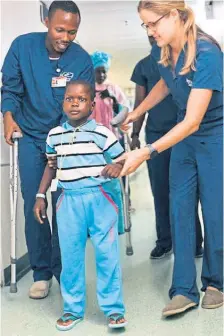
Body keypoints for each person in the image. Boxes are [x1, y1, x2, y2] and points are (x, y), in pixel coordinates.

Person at [116, 0, 223, 317]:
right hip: (184, 141)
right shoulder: (160, 53)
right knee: (180, 211)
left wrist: (145, 152)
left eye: (153, 23)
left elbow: (193, 121)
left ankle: (216, 283)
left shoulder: (207, 53)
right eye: (144, 25)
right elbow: (165, 83)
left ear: (176, 15)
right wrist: (138, 111)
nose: (149, 31)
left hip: (214, 136)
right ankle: (183, 290)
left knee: (215, 213)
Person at [1, 1, 94, 299]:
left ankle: (64, 269)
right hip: (29, 136)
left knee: (65, 203)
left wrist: (68, 136)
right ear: (46, 21)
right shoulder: (22, 47)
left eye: (72, 32)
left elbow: (83, 105)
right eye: (59, 29)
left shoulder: (81, 60)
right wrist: (8, 118)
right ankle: (41, 272)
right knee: (35, 200)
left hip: (65, 137)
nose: (65, 37)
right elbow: (11, 90)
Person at [33, 80, 127, 331]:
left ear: (92, 105)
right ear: (62, 102)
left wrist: (116, 167)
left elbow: (122, 160)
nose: (74, 103)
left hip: (99, 200)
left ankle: (114, 309)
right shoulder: (54, 135)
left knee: (107, 256)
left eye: (81, 99)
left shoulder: (102, 133)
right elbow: (51, 167)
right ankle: (72, 309)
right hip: (68, 202)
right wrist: (40, 196)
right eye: (69, 99)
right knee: (70, 257)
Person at [130, 36, 203, 259]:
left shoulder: (188, 58)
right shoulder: (143, 65)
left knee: (187, 191)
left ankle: (195, 242)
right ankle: (165, 241)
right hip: (156, 135)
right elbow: (140, 103)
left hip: (185, 133)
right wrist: (134, 134)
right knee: (160, 190)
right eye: (149, 29)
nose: (154, 34)